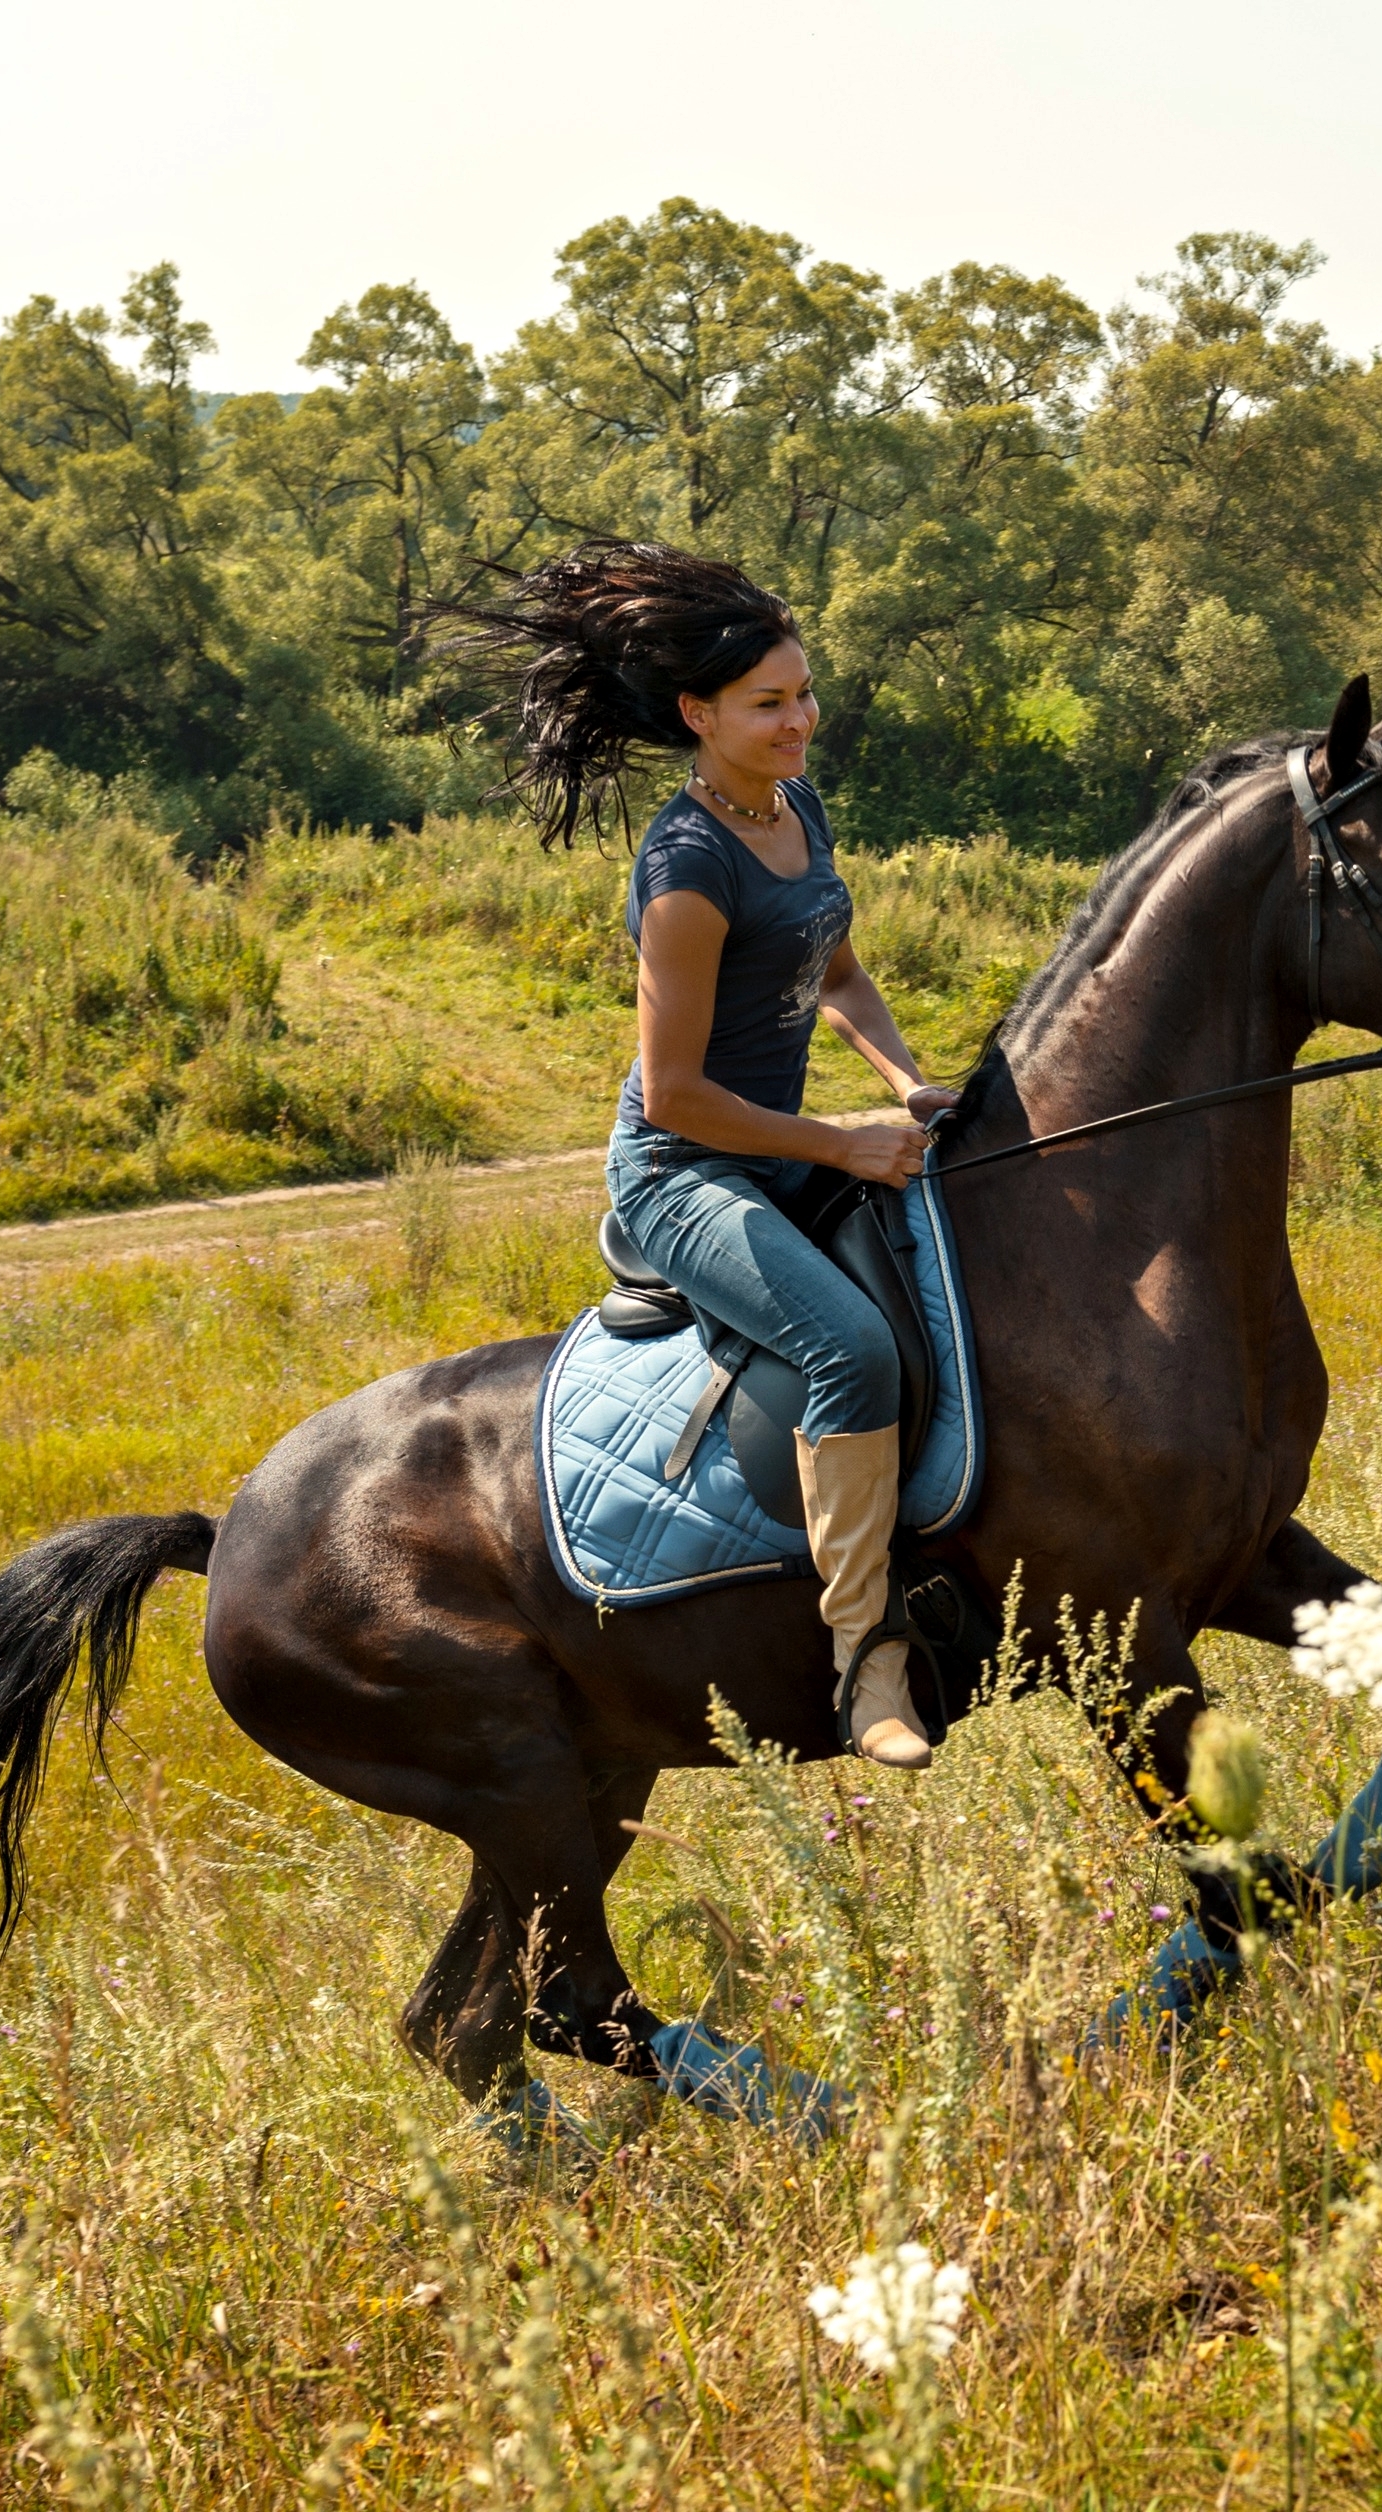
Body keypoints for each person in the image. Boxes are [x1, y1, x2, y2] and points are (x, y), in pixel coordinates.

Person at [435, 543, 949, 1768]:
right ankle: (865, 1661)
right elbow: (675, 1096)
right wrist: (844, 1144)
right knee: (851, 1344)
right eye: (769, 704)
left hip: (776, 1150)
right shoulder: (684, 869)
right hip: (684, 1172)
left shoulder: (795, 810)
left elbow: (836, 971)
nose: (799, 720)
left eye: (804, 693)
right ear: (697, 714)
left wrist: (906, 1082)